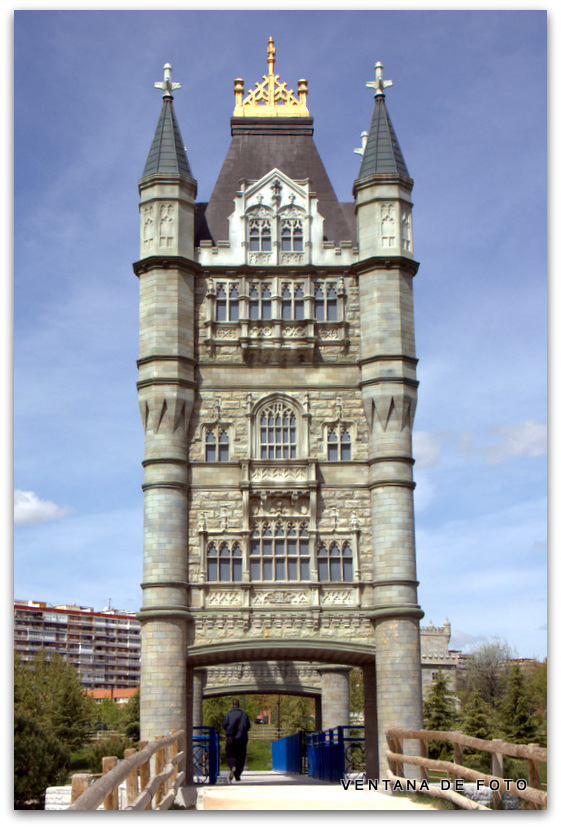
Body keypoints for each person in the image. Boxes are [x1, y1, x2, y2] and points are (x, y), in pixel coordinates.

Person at [222, 698, 251, 782]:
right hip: (242, 739)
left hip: (231, 739)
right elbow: (248, 726)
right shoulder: (244, 715)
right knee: (241, 756)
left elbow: (224, 726)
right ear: (238, 705)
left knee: (230, 754)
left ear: (232, 706)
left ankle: (232, 766)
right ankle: (237, 774)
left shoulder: (228, 715)